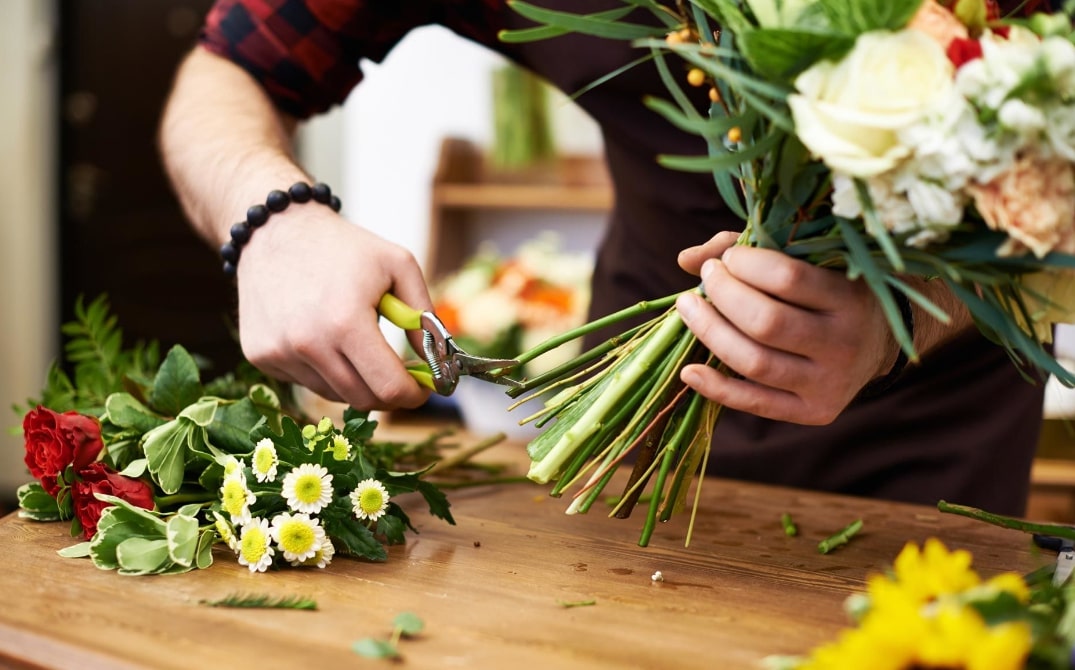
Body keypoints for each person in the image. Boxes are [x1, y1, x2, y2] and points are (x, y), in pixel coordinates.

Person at [160, 0, 1045, 516]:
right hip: (623, 427)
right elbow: (230, 69)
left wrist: (911, 313)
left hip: (920, 454)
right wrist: (271, 220)